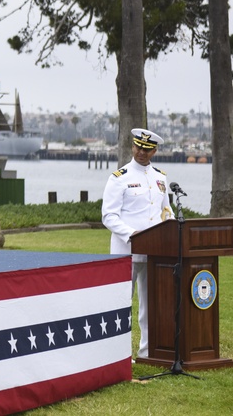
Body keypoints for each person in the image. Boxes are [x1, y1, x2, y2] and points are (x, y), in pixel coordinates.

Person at [102, 128, 173, 359]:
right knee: (121, 303)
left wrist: (171, 225)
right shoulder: (119, 177)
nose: (141, 152)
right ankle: (117, 353)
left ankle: (147, 351)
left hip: (154, 252)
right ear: (132, 147)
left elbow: (165, 210)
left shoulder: (160, 177)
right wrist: (133, 234)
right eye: (138, 147)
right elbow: (109, 216)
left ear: (154, 150)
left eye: (147, 149)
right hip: (127, 250)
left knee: (150, 305)